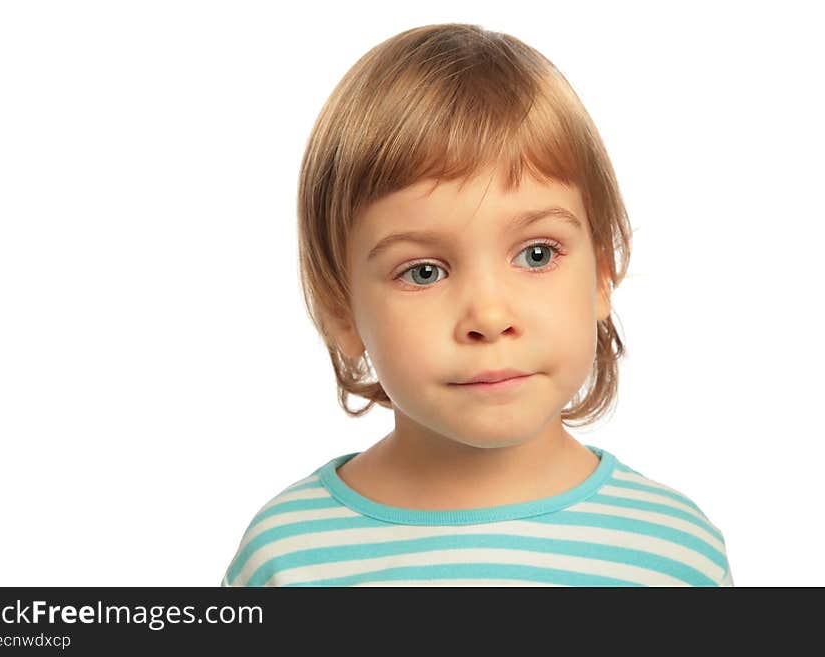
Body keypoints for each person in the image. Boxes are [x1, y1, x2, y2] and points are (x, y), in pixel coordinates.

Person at [221, 22, 733, 587]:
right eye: (423, 271)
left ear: (602, 274)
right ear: (340, 310)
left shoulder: (674, 554)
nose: (489, 318)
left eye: (537, 255)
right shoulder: (286, 556)